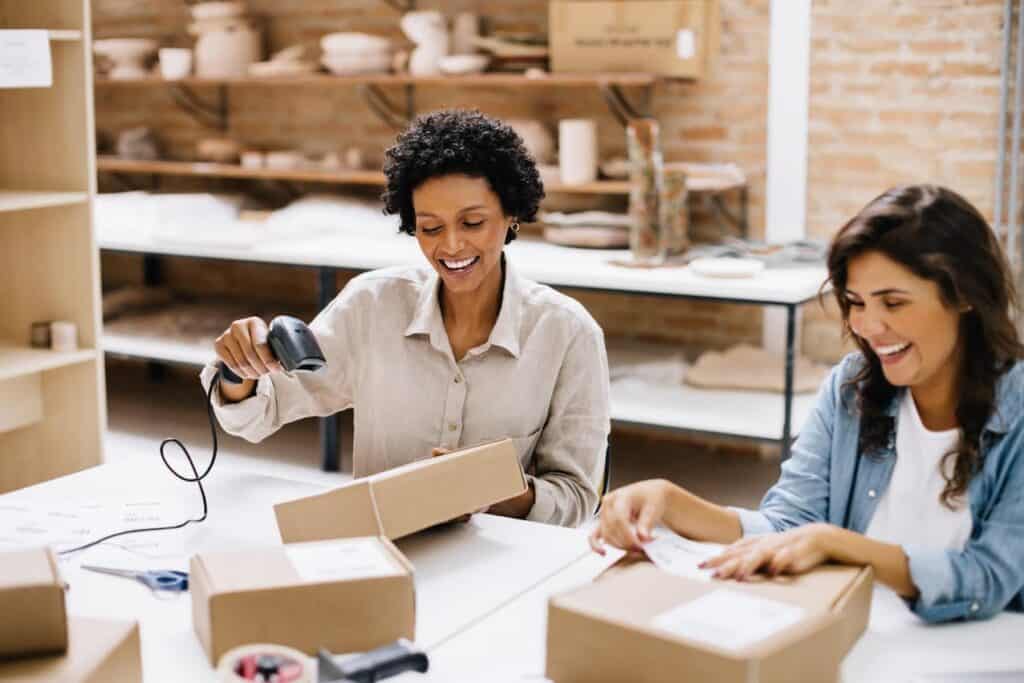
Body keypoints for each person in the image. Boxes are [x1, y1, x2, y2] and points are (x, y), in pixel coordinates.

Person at [590, 185, 1024, 622]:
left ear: (964, 295)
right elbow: (789, 527)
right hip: (859, 638)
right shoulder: (850, 389)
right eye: (855, 303)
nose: (869, 326)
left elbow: (988, 577)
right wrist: (671, 502)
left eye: (893, 302)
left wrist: (839, 544)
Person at [202, 109, 610, 527]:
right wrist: (239, 371)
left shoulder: (569, 333)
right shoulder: (372, 305)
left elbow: (578, 498)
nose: (451, 246)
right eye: (430, 228)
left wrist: (494, 490)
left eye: (472, 222)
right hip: (381, 548)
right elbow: (261, 413)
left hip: (501, 558)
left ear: (511, 216)